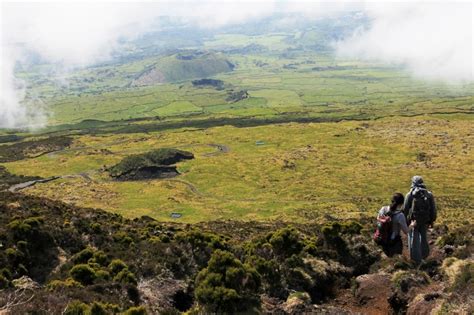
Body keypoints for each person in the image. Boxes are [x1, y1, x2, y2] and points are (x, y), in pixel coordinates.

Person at [403, 176, 436, 264]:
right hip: (425, 220)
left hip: (413, 221)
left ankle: (415, 260)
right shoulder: (429, 194)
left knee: (414, 239)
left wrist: (406, 222)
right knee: (424, 238)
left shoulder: (410, 194)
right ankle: (424, 256)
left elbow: (405, 209)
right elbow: (433, 209)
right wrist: (432, 220)